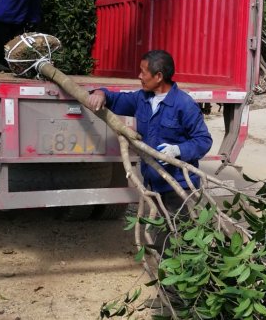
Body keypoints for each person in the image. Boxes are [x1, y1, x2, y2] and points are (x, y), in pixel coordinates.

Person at [86, 49, 213, 214]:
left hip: (179, 186)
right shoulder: (142, 99)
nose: (139, 76)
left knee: (177, 234)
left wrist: (177, 150)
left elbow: (203, 141)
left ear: (158, 76)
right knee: (160, 231)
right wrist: (100, 93)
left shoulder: (184, 105)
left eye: (143, 72)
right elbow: (117, 99)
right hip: (154, 183)